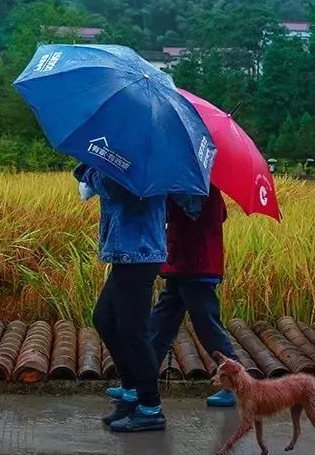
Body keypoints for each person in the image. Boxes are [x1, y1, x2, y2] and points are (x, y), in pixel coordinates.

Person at [113, 184, 240, 408]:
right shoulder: (195, 183)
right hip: (180, 264)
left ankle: (236, 384)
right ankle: (142, 383)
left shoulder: (195, 186)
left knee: (206, 324)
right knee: (160, 324)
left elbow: (185, 213)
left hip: (196, 266)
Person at [75, 163, 168, 432]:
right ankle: (131, 390)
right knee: (104, 319)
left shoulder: (144, 159)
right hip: (126, 253)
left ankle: (150, 408)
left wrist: (88, 171)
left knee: (134, 332)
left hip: (138, 252)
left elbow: (114, 186)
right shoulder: (129, 153)